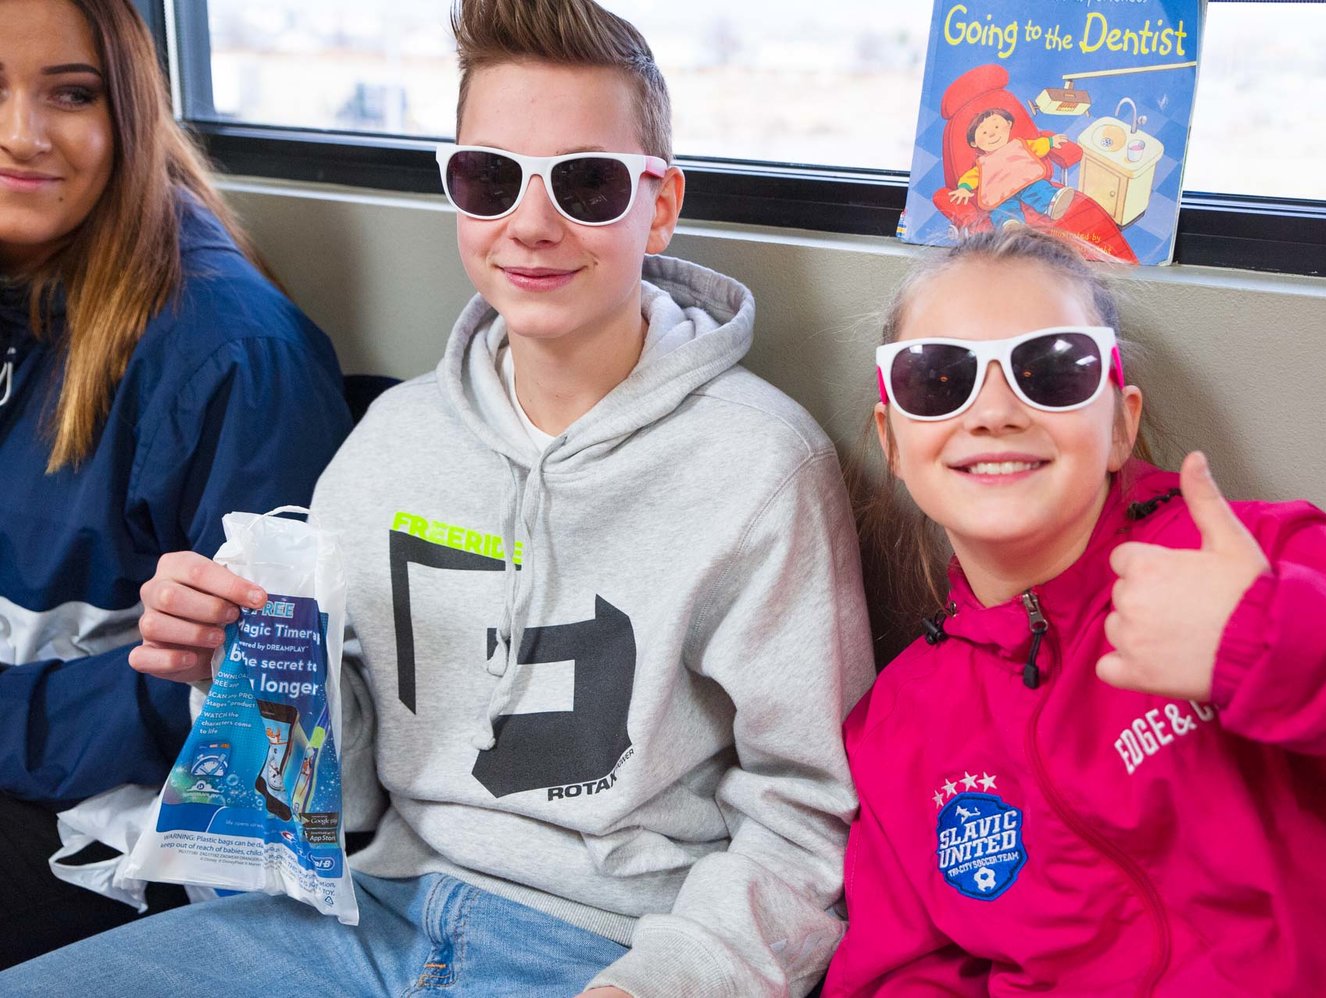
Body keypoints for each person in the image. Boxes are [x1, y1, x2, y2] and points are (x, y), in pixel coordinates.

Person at [0, 0, 874, 995]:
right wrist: (238, 669)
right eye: (489, 177)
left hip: (615, 946)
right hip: (366, 913)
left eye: (586, 183)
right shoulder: (392, 445)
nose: (531, 224)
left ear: (661, 202)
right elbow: (347, 773)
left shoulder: (762, 463)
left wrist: (668, 979)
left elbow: (811, 814)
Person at [822, 226, 1326, 994]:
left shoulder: (1260, 562)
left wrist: (1268, 640)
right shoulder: (898, 728)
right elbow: (907, 974)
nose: (994, 413)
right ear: (893, 441)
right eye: (939, 379)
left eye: (1051, 370)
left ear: (1120, 424)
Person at [0, 0, 349, 967]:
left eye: (71, 94)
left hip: (126, 840)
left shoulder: (234, 352)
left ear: (131, 112)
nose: (22, 135)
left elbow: (260, 714)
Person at [947, 109, 1075, 228]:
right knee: (1002, 209)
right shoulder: (982, 164)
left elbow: (1036, 147)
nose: (992, 134)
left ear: (1008, 124)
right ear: (974, 142)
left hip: (1027, 183)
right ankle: (1010, 225)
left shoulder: (1019, 145)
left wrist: (1050, 142)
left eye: (996, 127)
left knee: (1039, 187)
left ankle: (1051, 203)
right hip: (1000, 194)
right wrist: (964, 188)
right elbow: (971, 177)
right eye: (984, 132)